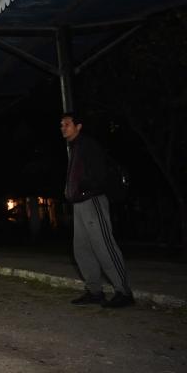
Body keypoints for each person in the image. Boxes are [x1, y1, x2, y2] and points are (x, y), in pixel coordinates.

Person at [61, 112, 134, 308]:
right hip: (79, 205)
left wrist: (84, 187)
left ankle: (124, 292)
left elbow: (99, 174)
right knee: (82, 250)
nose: (63, 128)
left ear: (78, 126)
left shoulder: (88, 145)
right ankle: (94, 292)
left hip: (92, 201)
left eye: (67, 124)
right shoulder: (75, 147)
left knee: (104, 246)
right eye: (62, 125)